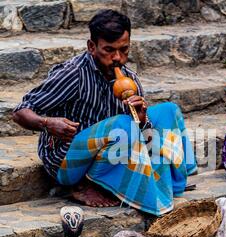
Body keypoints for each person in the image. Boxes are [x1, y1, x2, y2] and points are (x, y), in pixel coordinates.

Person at [12, 9, 197, 215]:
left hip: (109, 153)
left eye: (123, 50)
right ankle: (82, 186)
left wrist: (142, 120)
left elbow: (140, 134)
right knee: (122, 125)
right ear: (92, 47)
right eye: (108, 50)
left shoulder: (130, 79)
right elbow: (20, 112)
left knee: (168, 111)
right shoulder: (74, 74)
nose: (117, 58)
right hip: (66, 161)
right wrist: (47, 123)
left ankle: (174, 183)